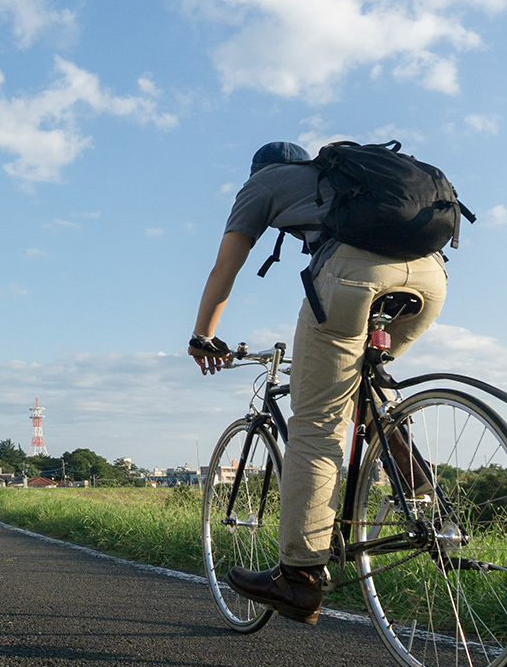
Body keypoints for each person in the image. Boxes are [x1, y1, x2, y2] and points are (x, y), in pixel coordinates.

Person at [189, 141, 447, 624]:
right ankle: (415, 480)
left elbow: (225, 268)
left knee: (316, 422)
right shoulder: (340, 180)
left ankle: (299, 578)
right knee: (362, 384)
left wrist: (202, 335)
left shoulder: (261, 183)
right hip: (428, 279)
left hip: (352, 276)